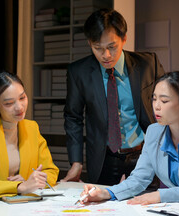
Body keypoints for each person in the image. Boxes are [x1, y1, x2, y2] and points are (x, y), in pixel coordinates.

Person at [80, 71, 179, 204]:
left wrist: (161, 195)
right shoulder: (154, 132)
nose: (156, 106)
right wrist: (106, 193)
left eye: (164, 100)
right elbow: (139, 178)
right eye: (154, 99)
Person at [62, 9, 165, 185]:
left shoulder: (148, 64)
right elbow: (73, 117)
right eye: (98, 48)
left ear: (124, 39)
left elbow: (168, 104)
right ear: (90, 43)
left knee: (146, 209)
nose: (106, 55)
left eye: (112, 46)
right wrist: (76, 162)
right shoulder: (79, 72)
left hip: (145, 155)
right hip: (104, 159)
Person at [0, 71, 59, 199]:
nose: (19, 107)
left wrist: (30, 182)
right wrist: (19, 186)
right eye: (9, 103)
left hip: (21, 206)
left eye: (22, 98)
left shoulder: (32, 128)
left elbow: (51, 171)